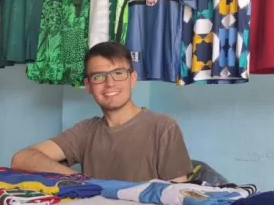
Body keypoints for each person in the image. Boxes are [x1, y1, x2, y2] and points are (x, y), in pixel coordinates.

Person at [11, 41, 193, 182]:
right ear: (88, 85)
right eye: (99, 77)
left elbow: (176, 199)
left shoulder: (163, 127)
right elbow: (22, 159)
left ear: (132, 79)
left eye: (119, 73)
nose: (110, 83)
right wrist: (82, 181)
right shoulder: (86, 131)